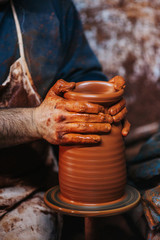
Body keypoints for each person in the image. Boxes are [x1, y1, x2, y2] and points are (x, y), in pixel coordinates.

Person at [0, 0, 130, 239]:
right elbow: (37, 121)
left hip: (29, 183)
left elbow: (80, 75)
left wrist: (105, 104)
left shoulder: (53, 6)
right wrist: (34, 122)